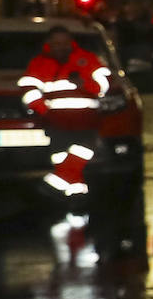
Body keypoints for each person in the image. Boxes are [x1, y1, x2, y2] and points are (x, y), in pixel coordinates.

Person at [19, 25, 111, 197]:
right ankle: (76, 193)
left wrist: (85, 84)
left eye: (65, 42)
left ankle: (54, 184)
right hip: (57, 122)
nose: (62, 46)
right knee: (60, 157)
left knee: (83, 151)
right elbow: (29, 91)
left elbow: (105, 84)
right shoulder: (39, 64)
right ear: (49, 44)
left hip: (86, 120)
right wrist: (44, 111)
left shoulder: (87, 59)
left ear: (71, 42)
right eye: (57, 43)